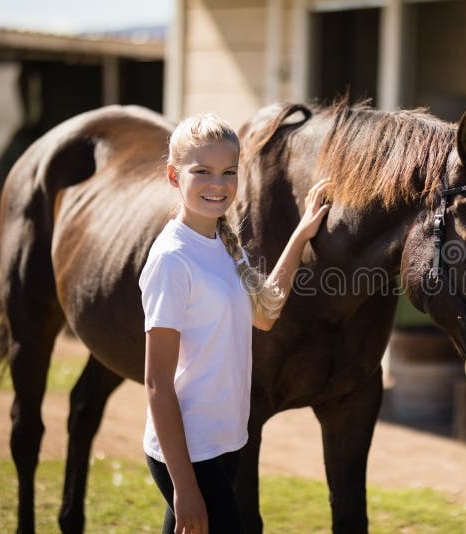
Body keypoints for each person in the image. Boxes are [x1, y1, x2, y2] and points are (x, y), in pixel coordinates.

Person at [139, 113, 330, 534]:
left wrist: (301, 234)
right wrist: (185, 488)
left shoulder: (225, 244)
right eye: (202, 171)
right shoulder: (172, 259)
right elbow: (156, 383)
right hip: (189, 450)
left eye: (228, 171)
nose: (218, 183)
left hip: (226, 440)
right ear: (173, 176)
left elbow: (264, 314)